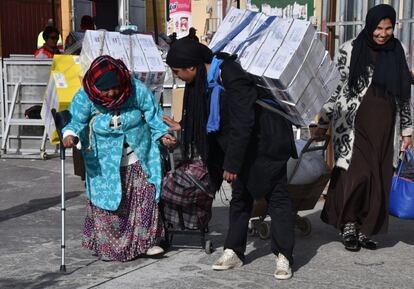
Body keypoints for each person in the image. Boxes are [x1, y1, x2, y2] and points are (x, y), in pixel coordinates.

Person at [165, 39, 297, 279]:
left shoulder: (230, 74)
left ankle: (284, 255)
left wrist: (232, 164)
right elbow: (208, 117)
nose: (177, 77)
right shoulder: (203, 80)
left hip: (267, 142)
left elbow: (243, 121)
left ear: (191, 67)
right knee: (240, 197)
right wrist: (183, 127)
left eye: (177, 72)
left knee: (277, 199)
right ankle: (234, 251)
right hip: (242, 145)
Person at [315, 4, 413, 252]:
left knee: (378, 177)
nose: (383, 33)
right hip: (351, 124)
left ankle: (364, 228)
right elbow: (335, 87)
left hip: (383, 125)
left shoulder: (397, 51)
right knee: (358, 174)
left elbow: (403, 93)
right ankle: (348, 223)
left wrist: (407, 131)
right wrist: (323, 121)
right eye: (379, 28)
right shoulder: (349, 49)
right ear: (369, 26)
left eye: (388, 28)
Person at [62, 55, 176, 261]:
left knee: (145, 195)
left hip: (138, 154)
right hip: (103, 159)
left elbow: (154, 115)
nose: (112, 93)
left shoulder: (135, 89)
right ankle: (110, 247)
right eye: (106, 90)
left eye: (115, 88)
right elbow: (75, 121)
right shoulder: (85, 96)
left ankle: (148, 242)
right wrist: (70, 134)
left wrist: (164, 134)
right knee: (110, 202)